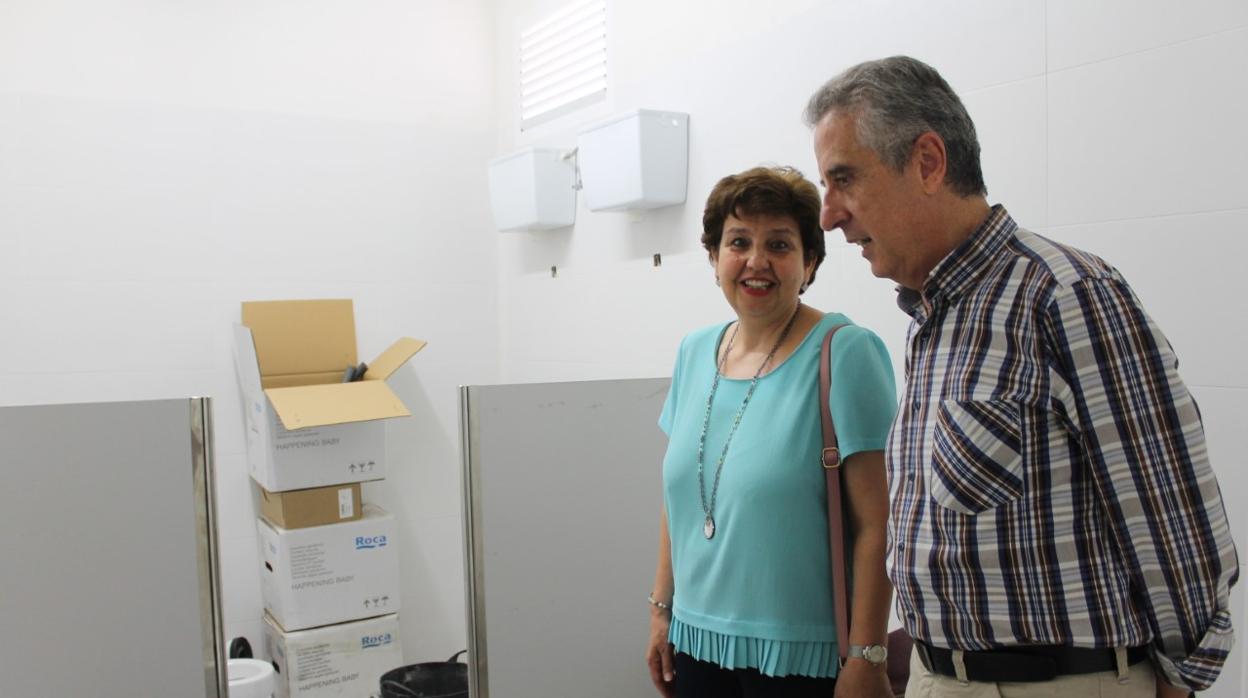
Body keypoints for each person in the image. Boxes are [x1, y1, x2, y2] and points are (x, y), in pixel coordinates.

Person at [804, 55, 1238, 697]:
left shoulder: (1066, 295)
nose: (829, 214)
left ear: (927, 162)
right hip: (937, 677)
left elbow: (1174, 523)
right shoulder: (932, 314)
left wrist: (1179, 678)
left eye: (843, 180)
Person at [645, 165, 899, 698]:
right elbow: (679, 499)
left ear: (809, 263)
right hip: (695, 645)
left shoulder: (845, 352)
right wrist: (662, 610)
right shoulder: (695, 352)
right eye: (738, 242)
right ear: (714, 258)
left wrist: (867, 656)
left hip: (801, 658)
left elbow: (878, 524)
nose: (756, 261)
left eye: (779, 245)